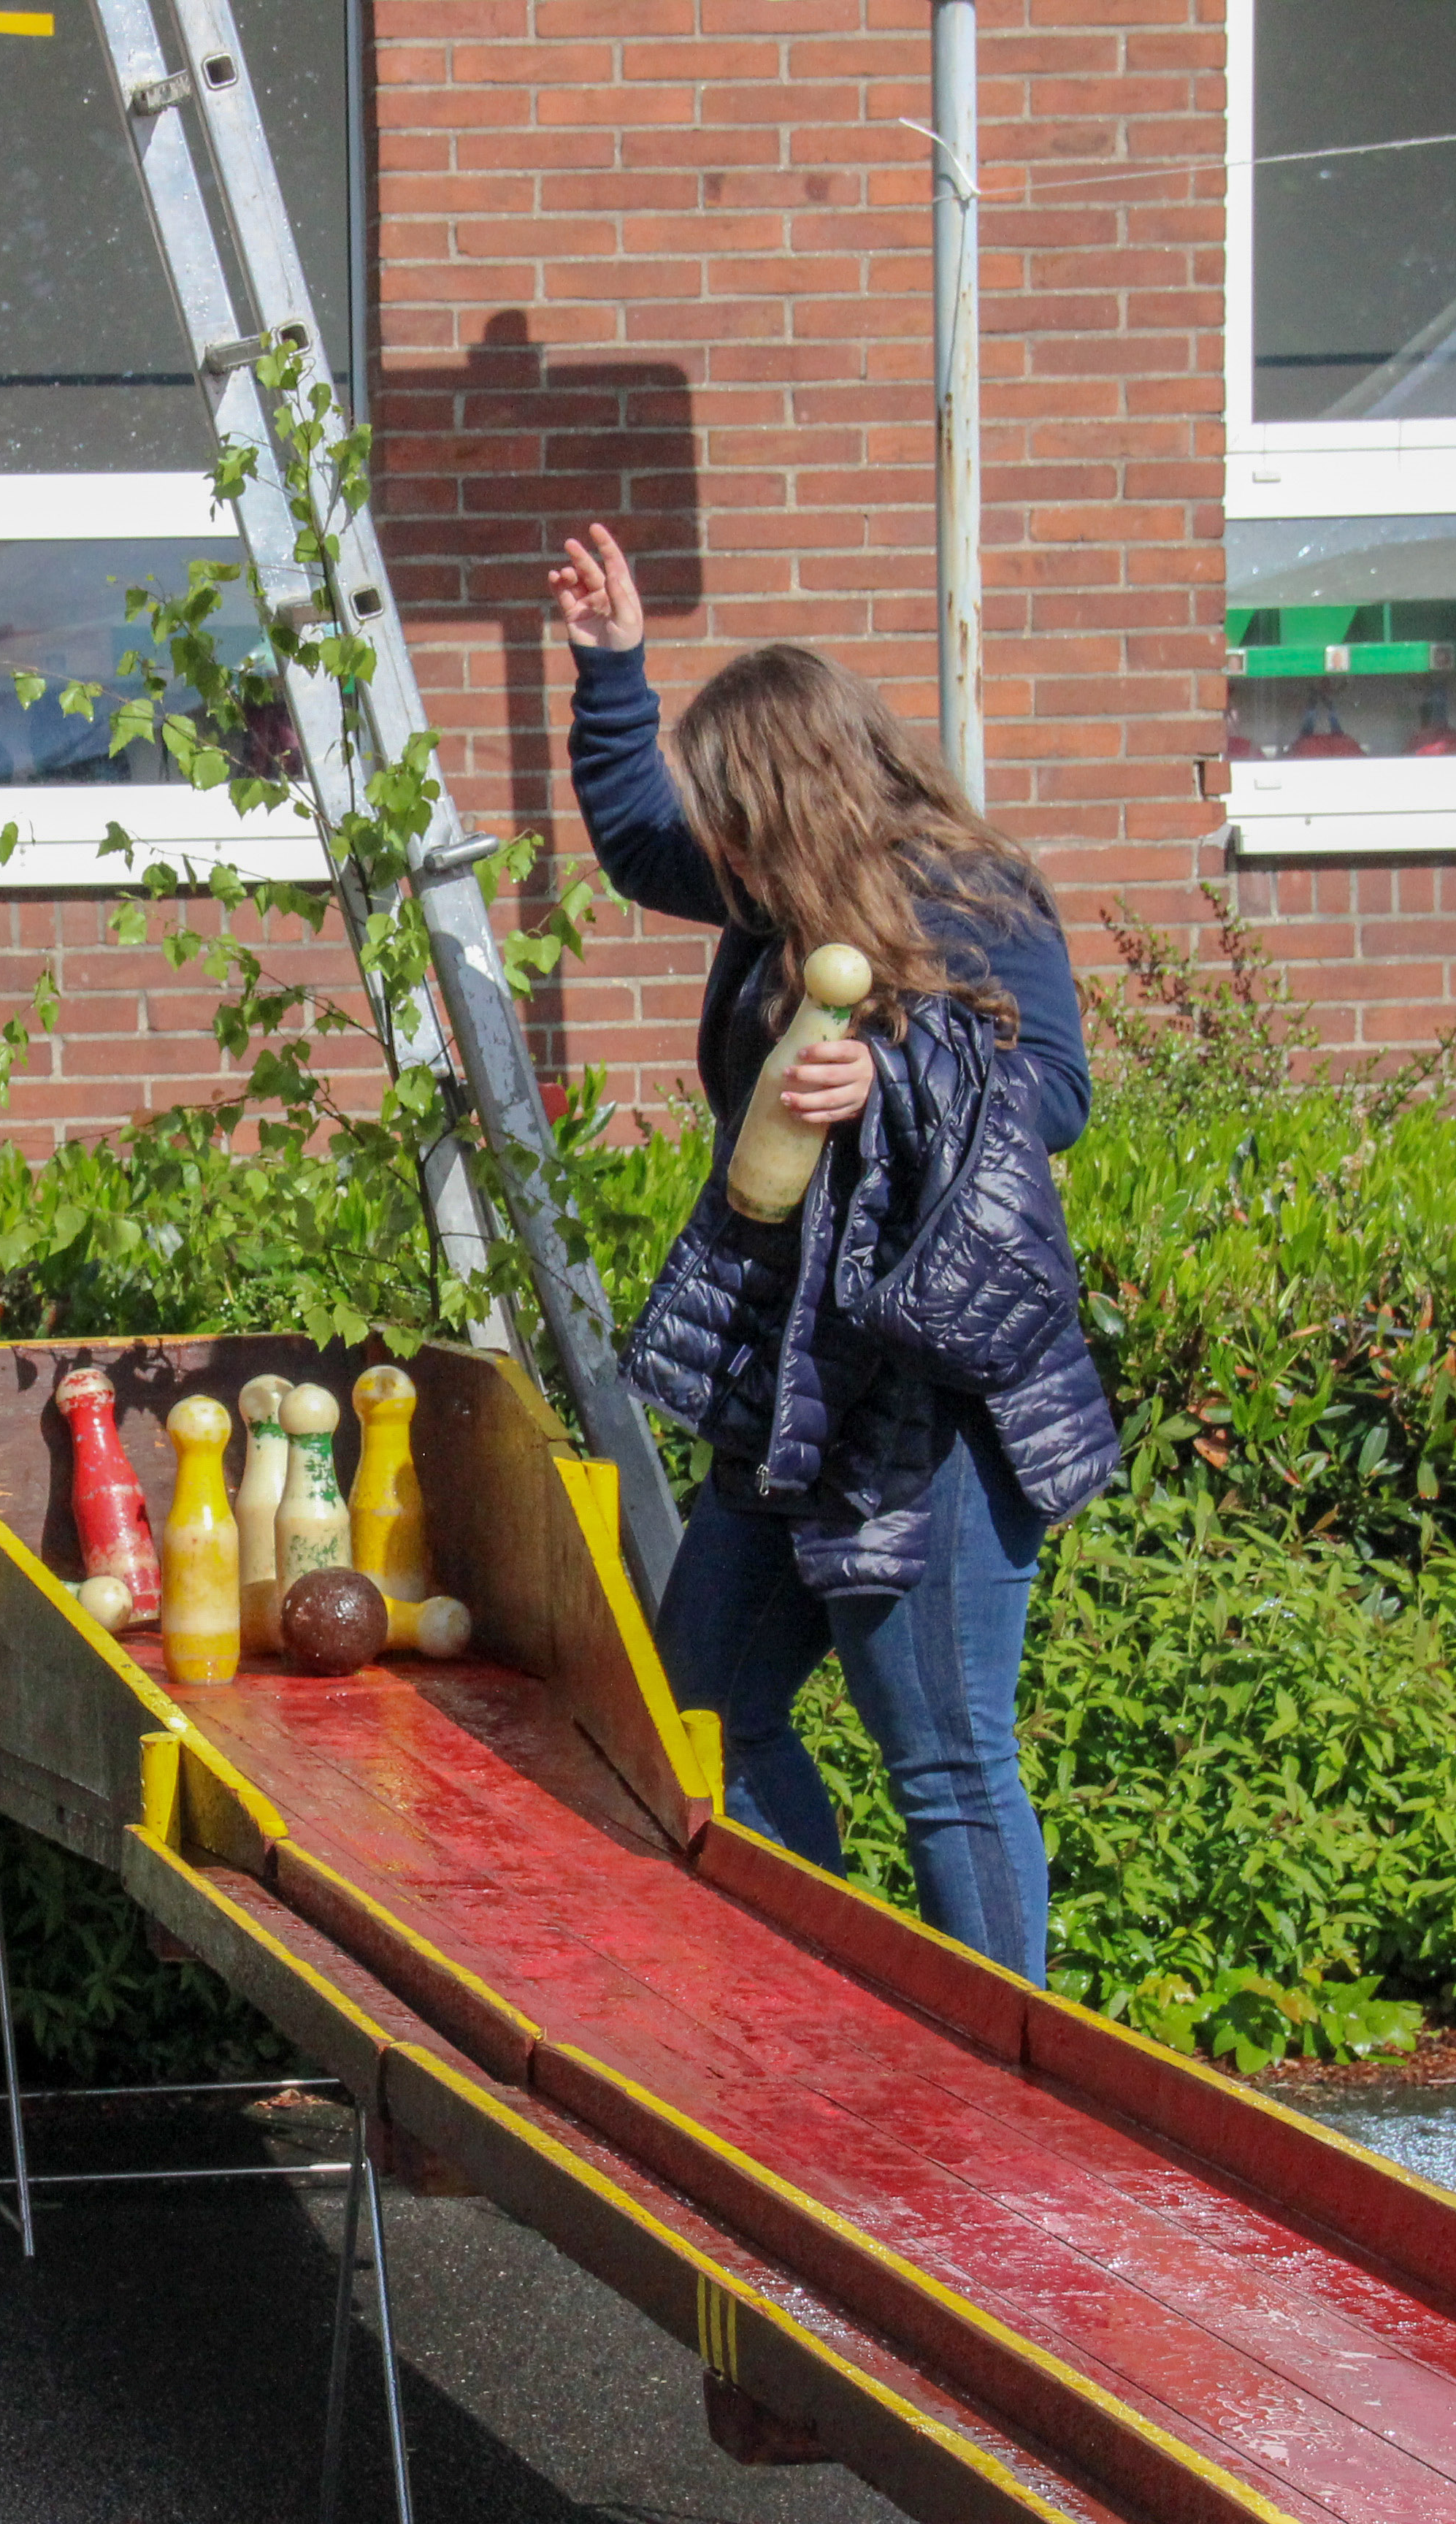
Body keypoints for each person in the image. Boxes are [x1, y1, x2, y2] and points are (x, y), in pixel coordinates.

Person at [548, 522, 1113, 1985]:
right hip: (794, 1382)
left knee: (947, 1762)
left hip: (931, 1397)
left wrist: (893, 1077)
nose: (717, 849)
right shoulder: (781, 897)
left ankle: (1004, 2078)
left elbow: (1057, 1093)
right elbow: (638, 843)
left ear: (794, 802)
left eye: (734, 817)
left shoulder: (970, 895)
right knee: (705, 1717)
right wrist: (613, 672)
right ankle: (827, 1998)